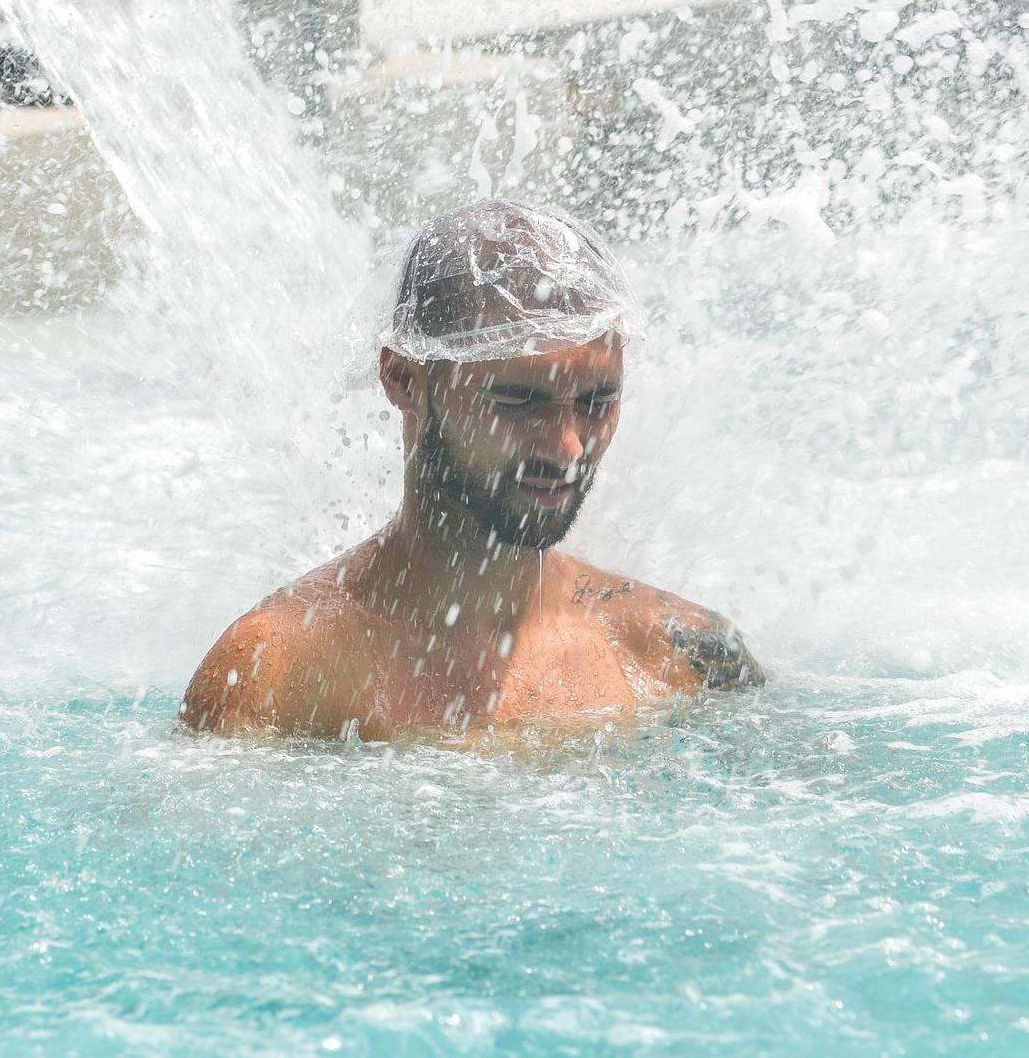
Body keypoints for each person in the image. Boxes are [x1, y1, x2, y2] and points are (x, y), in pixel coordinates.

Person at [182, 199, 764, 740]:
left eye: (596, 402)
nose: (566, 447)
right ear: (404, 379)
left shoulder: (682, 654)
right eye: (517, 401)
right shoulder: (275, 675)